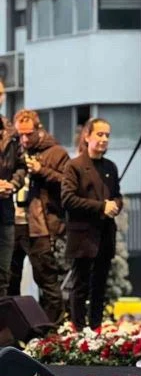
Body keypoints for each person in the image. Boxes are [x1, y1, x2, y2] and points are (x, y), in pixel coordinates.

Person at [7, 110, 70, 322]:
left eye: (29, 134)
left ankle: (51, 330)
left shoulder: (56, 152)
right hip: (12, 222)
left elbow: (67, 183)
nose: (25, 139)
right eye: (20, 135)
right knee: (9, 280)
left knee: (46, 279)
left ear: (39, 130)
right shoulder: (13, 150)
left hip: (40, 226)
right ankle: (14, 332)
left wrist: (42, 170)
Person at [61, 118, 122, 329]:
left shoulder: (110, 167)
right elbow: (68, 200)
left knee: (100, 287)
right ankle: (78, 330)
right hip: (83, 236)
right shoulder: (74, 166)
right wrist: (101, 206)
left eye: (107, 135)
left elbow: (117, 196)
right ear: (87, 136)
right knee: (80, 286)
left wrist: (115, 205)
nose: (104, 139)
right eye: (99, 134)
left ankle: (96, 328)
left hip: (105, 234)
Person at [0, 80, 26, 296]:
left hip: (6, 211)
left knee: (4, 274)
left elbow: (21, 166)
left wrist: (12, 184)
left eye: (0, 93)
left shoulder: (11, 131)